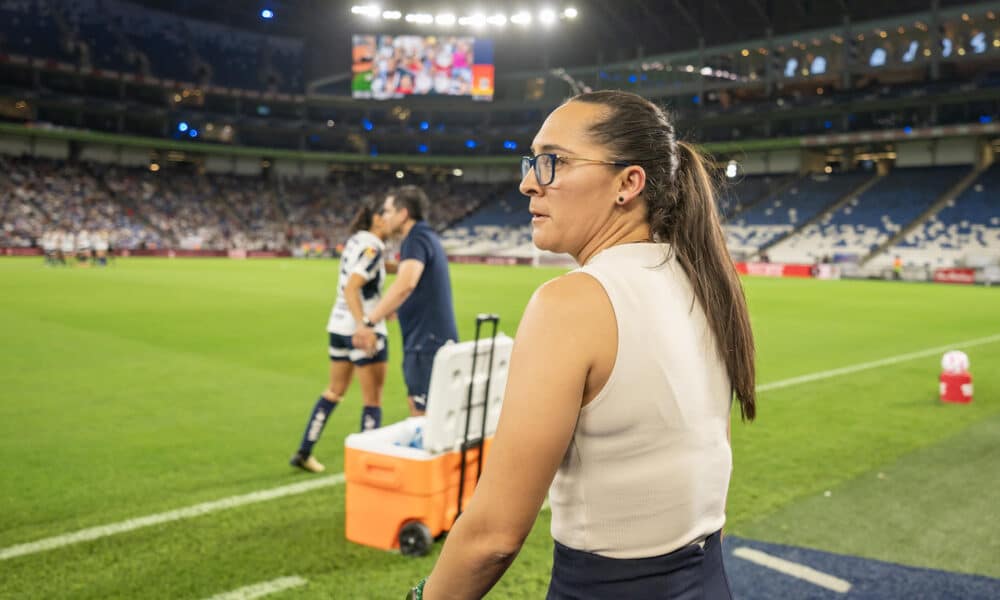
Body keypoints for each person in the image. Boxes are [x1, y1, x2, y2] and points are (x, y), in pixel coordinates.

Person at [406, 90, 756, 599]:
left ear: (627, 183)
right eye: (533, 162)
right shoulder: (703, 283)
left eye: (554, 162)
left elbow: (493, 537)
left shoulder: (571, 303)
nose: (528, 182)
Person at [289, 198, 391, 473]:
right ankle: (365, 469)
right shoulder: (373, 247)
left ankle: (304, 450)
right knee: (372, 401)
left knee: (335, 390)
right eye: (385, 215)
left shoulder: (356, 241)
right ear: (377, 221)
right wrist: (364, 324)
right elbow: (352, 286)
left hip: (337, 325)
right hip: (362, 329)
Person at [353, 185, 458, 417]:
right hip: (431, 339)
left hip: (426, 343)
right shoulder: (426, 235)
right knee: (428, 410)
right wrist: (398, 308)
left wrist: (369, 322)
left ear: (403, 214)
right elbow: (417, 284)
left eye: (389, 211)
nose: (384, 217)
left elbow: (406, 283)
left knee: (423, 414)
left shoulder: (416, 238)